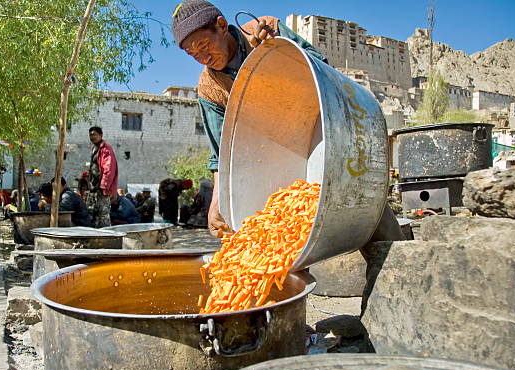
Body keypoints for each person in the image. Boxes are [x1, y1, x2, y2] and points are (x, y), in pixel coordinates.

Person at [172, 1, 405, 243]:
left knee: (369, 214)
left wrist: (281, 52)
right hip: (274, 163)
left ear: (221, 26)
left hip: (323, 139)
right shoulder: (209, 89)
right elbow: (221, 153)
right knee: (291, 236)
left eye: (204, 45)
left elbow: (322, 70)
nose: (202, 57)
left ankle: (403, 266)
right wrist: (217, 202)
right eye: (192, 54)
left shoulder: (265, 31)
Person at [87, 126, 118, 228]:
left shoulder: (106, 149)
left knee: (103, 214)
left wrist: (104, 185)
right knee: (93, 212)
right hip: (93, 187)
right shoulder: (94, 148)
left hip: (102, 188)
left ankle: (106, 237)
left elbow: (109, 168)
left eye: (94, 134)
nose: (92, 137)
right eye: (90, 135)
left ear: (101, 135)